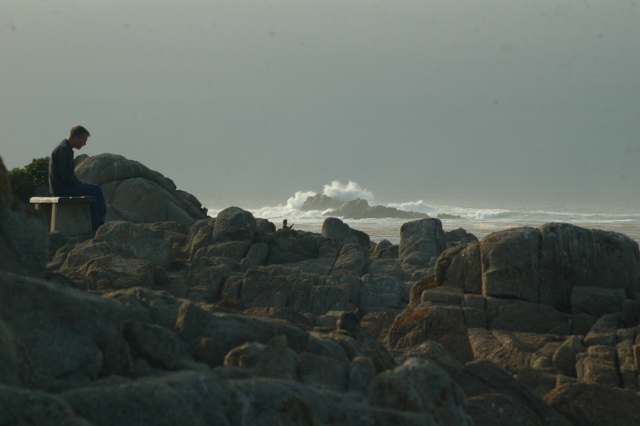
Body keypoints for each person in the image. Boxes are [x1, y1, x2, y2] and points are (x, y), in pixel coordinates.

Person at [49, 125, 106, 231]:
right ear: (75, 138)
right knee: (96, 189)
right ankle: (98, 224)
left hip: (60, 187)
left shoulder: (64, 147)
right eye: (83, 140)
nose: (84, 143)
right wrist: (78, 184)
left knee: (93, 191)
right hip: (63, 189)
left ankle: (97, 223)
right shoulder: (64, 149)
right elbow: (65, 176)